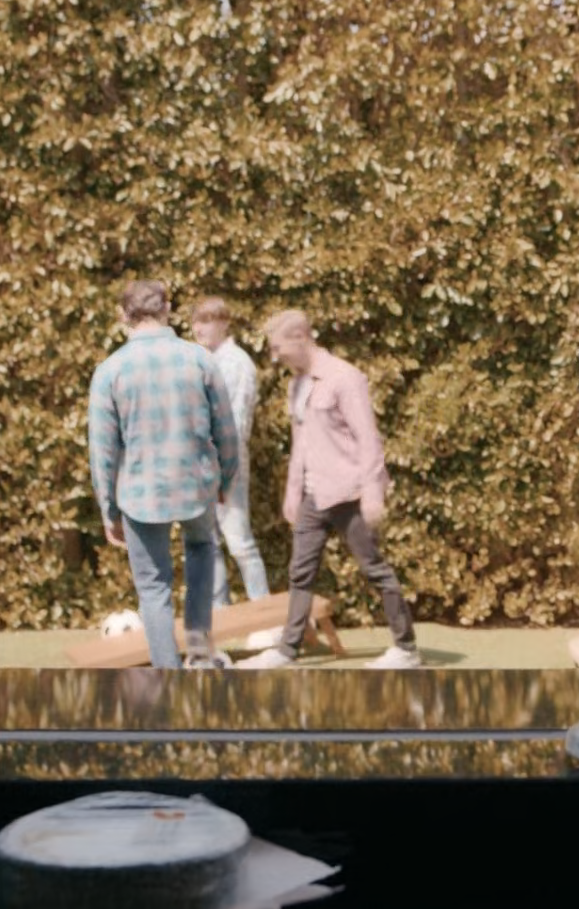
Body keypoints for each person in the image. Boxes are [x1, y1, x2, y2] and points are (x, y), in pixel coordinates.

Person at [235, 310, 420, 670]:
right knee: (300, 572)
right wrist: (292, 492)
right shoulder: (297, 384)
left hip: (349, 493)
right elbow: (300, 443)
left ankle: (406, 648)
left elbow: (368, 438)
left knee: (374, 569)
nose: (275, 356)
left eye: (277, 347)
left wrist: (373, 492)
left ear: (300, 337)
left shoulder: (344, 378)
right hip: (313, 495)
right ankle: (287, 651)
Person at [88, 280, 242, 670]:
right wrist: (224, 481)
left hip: (140, 494)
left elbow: (102, 452)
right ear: (167, 309)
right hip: (195, 486)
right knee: (202, 556)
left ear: (123, 315)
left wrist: (108, 509)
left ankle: (166, 675)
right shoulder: (200, 359)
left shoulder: (110, 370)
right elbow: (227, 432)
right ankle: (200, 655)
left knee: (153, 588)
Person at [188, 296, 271, 605]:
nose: (199, 328)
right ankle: (218, 615)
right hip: (201, 464)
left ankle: (265, 614)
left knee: (240, 543)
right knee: (207, 543)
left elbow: (235, 425)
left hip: (226, 463)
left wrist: (222, 471)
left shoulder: (236, 363)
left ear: (224, 323)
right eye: (196, 321)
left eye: (207, 321)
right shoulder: (202, 361)